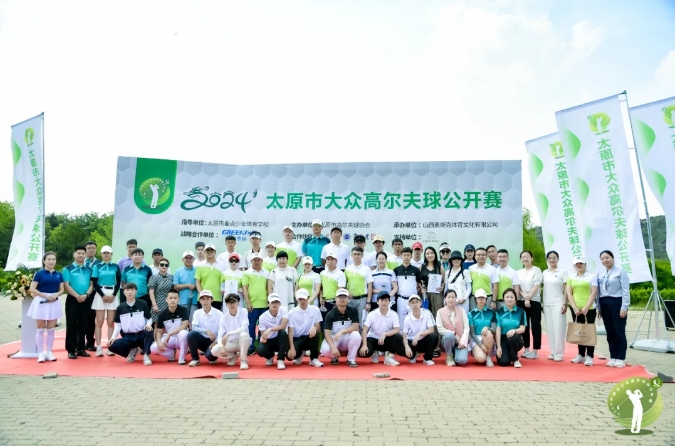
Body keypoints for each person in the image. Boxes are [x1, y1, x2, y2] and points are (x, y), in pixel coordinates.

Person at [28, 251, 64, 363]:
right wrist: (45, 296)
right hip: (41, 301)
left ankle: (49, 352)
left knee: (51, 329)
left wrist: (55, 295)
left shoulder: (59, 274)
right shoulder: (39, 274)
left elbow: (62, 289)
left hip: (54, 302)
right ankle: (40, 353)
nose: (51, 261)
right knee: (40, 328)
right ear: (44, 261)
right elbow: (32, 289)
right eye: (49, 259)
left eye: (53, 259)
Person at [108, 283, 154, 366]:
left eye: (132, 290)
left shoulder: (143, 303)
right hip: (128, 336)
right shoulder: (120, 308)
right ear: (124, 292)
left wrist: (148, 324)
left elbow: (149, 318)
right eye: (127, 290)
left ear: (136, 291)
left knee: (149, 331)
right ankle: (132, 350)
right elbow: (118, 325)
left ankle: (146, 355)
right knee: (112, 345)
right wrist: (113, 337)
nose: (130, 292)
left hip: (141, 334)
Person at [597, 250, 630, 368]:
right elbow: (598, 292)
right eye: (602, 258)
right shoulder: (600, 273)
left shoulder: (620, 272)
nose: (605, 260)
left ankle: (620, 357)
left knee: (619, 331)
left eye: (607, 257)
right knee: (610, 332)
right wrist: (599, 308)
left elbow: (625, 290)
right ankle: (613, 356)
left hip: (617, 302)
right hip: (604, 303)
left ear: (613, 258)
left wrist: (624, 307)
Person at [566, 256, 599, 366]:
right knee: (579, 331)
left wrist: (586, 308)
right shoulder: (571, 277)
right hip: (575, 309)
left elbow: (593, 293)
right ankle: (581, 354)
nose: (579, 265)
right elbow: (569, 293)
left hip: (589, 308)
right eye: (577, 264)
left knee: (588, 331)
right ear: (574, 265)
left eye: (581, 263)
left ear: (585, 264)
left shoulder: (592, 276)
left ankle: (590, 355)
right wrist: (574, 307)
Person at [63, 246, 93, 360]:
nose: (81, 255)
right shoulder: (67, 269)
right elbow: (66, 285)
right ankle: (71, 350)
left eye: (82, 253)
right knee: (71, 324)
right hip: (72, 299)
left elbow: (91, 285)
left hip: (85, 299)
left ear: (85, 255)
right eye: (78, 253)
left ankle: (81, 348)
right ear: (74, 255)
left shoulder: (89, 269)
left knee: (83, 324)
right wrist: (77, 296)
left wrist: (86, 295)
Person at [91, 245, 121, 357]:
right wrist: (102, 295)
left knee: (110, 322)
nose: (106, 255)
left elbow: (118, 282)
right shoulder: (97, 266)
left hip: (112, 292)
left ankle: (110, 347)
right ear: (101, 254)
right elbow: (95, 282)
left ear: (111, 254)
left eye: (108, 253)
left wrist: (113, 295)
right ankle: (99, 347)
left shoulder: (116, 266)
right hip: (100, 293)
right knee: (99, 322)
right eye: (104, 253)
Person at [358, 291, 403, 366]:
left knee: (398, 337)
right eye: (382, 300)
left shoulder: (394, 314)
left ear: (389, 302)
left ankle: (389, 357)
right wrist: (364, 345)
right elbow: (365, 329)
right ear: (377, 302)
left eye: (386, 300)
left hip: (386, 339)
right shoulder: (372, 314)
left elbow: (397, 329)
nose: (384, 303)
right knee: (363, 353)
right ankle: (374, 351)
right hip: (373, 339)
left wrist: (385, 334)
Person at [320, 288, 361, 367]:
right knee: (324, 350)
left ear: (348, 299)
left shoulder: (353, 311)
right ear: (336, 299)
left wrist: (342, 332)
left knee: (356, 335)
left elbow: (355, 327)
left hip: (347, 338)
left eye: (344, 297)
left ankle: (351, 359)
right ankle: (334, 357)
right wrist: (333, 347)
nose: (342, 299)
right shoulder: (330, 314)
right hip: (335, 338)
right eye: (340, 297)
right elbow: (327, 333)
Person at [209, 293, 251, 370]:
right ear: (226, 304)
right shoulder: (223, 318)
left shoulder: (243, 311)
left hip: (243, 342)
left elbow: (243, 328)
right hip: (231, 342)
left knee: (244, 335)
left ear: (238, 303)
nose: (231, 304)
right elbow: (220, 335)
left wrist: (228, 334)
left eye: (234, 302)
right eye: (229, 302)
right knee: (214, 351)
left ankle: (243, 361)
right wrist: (221, 346)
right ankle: (234, 356)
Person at [149, 289, 189, 365]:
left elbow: (184, 326)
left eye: (175, 298)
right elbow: (159, 331)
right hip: (169, 339)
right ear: (166, 299)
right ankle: (171, 354)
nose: (173, 300)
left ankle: (181, 358)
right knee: (153, 348)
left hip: (181, 339)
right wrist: (158, 341)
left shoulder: (183, 310)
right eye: (170, 298)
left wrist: (170, 333)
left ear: (178, 299)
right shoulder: (162, 314)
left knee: (184, 333)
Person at [542, 250, 568, 362]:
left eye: (554, 258)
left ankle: (559, 353)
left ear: (558, 259)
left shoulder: (563, 272)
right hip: (547, 303)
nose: (552, 260)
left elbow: (566, 288)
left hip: (559, 303)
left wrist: (565, 303)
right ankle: (553, 351)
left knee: (559, 328)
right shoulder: (545, 273)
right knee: (550, 328)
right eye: (550, 258)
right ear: (547, 260)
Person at [286, 288, 324, 367]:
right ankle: (300, 354)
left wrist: (314, 328)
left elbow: (318, 327)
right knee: (290, 357)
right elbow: (290, 331)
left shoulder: (315, 310)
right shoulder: (291, 313)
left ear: (308, 298)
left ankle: (314, 358)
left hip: (310, 337)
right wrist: (292, 348)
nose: (302, 301)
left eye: (304, 299)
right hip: (297, 339)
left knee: (315, 333)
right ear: (297, 299)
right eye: (300, 299)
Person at [516, 251, 543, 360]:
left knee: (536, 325)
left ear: (532, 258)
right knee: (524, 325)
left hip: (534, 301)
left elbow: (537, 285)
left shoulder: (536, 270)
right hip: (521, 301)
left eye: (527, 257)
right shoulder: (518, 272)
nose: (525, 259)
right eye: (523, 257)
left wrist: (529, 298)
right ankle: (526, 349)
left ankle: (535, 350)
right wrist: (524, 297)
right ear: (520, 259)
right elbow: (518, 287)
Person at [242, 252, 270, 355]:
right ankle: (251, 347)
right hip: (252, 305)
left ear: (262, 261)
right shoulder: (246, 273)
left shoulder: (267, 273)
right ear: (251, 261)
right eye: (254, 260)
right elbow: (245, 289)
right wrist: (248, 303)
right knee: (251, 327)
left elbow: (268, 288)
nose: (257, 262)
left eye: (258, 260)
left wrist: (269, 302)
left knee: (263, 327)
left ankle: (262, 346)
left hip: (264, 305)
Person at [398, 294, 437, 365]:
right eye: (412, 303)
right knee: (400, 349)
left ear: (420, 303)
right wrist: (406, 347)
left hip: (424, 340)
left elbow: (431, 329)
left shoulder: (427, 312)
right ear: (409, 304)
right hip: (413, 342)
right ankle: (413, 355)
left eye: (417, 302)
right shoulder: (407, 318)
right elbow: (404, 335)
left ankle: (427, 358)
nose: (415, 305)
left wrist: (419, 334)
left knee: (433, 336)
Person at [187, 290, 223, 366]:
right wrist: (206, 331)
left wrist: (216, 342)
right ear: (200, 301)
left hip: (214, 341)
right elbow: (194, 327)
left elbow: (223, 331)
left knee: (210, 357)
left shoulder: (219, 314)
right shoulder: (197, 313)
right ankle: (195, 359)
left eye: (207, 298)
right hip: (202, 340)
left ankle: (212, 355)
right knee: (191, 334)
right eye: (203, 299)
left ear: (212, 300)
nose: (205, 301)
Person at [420, 246, 444, 356]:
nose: (429, 255)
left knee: (436, 319)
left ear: (435, 254)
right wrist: (421, 288)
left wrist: (442, 287)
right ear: (425, 255)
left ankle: (436, 347)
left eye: (431, 253)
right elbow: (419, 282)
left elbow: (444, 282)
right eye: (427, 253)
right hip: (425, 295)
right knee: (424, 319)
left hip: (437, 295)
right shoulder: (422, 267)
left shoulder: (439, 267)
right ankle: (424, 346)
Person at [437, 289, 470, 366]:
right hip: (447, 341)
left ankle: (456, 354)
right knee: (449, 336)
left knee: (462, 361)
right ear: (445, 299)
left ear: (456, 298)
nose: (451, 299)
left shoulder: (462, 311)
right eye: (448, 297)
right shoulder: (440, 312)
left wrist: (463, 341)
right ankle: (449, 355)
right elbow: (440, 329)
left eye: (453, 297)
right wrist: (454, 334)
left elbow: (466, 328)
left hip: (460, 341)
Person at [256, 293, 289, 370]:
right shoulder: (262, 317)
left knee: (283, 332)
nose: (275, 304)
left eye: (277, 302)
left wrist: (270, 329)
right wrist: (264, 338)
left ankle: (280, 360)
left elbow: (283, 326)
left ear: (280, 303)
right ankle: (270, 356)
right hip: (269, 340)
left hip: (280, 339)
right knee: (260, 350)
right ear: (268, 304)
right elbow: (263, 334)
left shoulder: (284, 309)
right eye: (272, 302)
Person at [495, 288, 527, 368]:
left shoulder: (521, 311)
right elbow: (498, 330)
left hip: (516, 338)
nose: (509, 299)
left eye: (512, 297)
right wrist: (498, 347)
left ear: (515, 299)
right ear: (503, 299)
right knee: (503, 362)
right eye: (507, 297)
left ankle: (515, 359)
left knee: (512, 337)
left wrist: (514, 330)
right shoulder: (498, 312)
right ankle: (509, 354)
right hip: (503, 338)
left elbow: (522, 329)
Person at [344, 246, 373, 327]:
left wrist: (368, 302)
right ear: (351, 256)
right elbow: (343, 285)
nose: (356, 256)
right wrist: (347, 291)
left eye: (358, 254)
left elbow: (370, 286)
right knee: (348, 322)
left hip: (362, 300)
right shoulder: (347, 269)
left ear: (362, 255)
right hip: (349, 300)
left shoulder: (367, 269)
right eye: (354, 254)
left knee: (361, 323)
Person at [393, 247, 422, 328]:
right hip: (401, 299)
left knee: (414, 320)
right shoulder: (396, 270)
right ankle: (402, 336)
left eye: (408, 255)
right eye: (404, 255)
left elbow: (419, 284)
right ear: (401, 256)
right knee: (401, 321)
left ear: (411, 256)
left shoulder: (416, 270)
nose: (406, 257)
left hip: (413, 299)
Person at [468, 289, 497, 367]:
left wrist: (487, 328)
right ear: (475, 299)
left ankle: (488, 356)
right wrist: (481, 345)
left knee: (488, 333)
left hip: (488, 338)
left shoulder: (492, 312)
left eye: (483, 298)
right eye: (479, 298)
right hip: (476, 339)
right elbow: (472, 333)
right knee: (481, 359)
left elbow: (494, 330)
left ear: (486, 299)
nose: (481, 299)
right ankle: (479, 352)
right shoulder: (471, 314)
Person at [195, 244, 226, 310]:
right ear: (204, 252)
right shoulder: (200, 265)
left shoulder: (221, 265)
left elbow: (223, 280)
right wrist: (201, 293)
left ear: (215, 252)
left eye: (211, 251)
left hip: (217, 298)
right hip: (203, 298)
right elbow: (197, 282)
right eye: (207, 251)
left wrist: (223, 289)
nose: (209, 253)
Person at [83, 241, 101, 352]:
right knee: (80, 319)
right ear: (85, 250)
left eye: (93, 248)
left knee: (91, 318)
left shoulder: (99, 263)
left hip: (94, 293)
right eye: (89, 248)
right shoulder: (80, 262)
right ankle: (78, 343)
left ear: (96, 250)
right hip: (80, 293)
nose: (91, 250)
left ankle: (90, 342)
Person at [173, 250, 198, 321]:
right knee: (182, 321)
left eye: (190, 258)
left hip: (195, 301)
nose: (188, 260)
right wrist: (188, 285)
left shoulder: (197, 270)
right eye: (186, 258)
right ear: (182, 260)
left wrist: (195, 286)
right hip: (182, 301)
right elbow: (175, 286)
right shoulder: (178, 271)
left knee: (193, 321)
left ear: (193, 259)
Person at [148, 258, 174, 323]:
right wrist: (154, 305)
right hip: (158, 303)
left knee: (168, 323)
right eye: (162, 265)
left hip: (169, 303)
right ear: (158, 266)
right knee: (157, 324)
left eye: (166, 265)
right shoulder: (154, 277)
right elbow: (151, 292)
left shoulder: (171, 277)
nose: (164, 266)